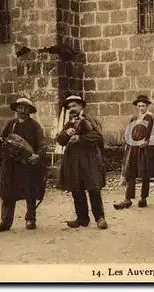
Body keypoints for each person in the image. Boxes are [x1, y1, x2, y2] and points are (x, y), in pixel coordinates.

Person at [0, 97, 46, 233]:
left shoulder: (35, 126)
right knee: (7, 191)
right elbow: (3, 140)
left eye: (25, 108)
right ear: (16, 109)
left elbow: (42, 145)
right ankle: (5, 222)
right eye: (19, 108)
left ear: (29, 111)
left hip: (27, 164)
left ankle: (30, 219)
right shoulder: (11, 124)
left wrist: (37, 156)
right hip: (10, 164)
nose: (22, 111)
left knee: (30, 190)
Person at [56, 95, 108, 229]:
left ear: (81, 106)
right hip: (74, 162)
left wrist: (80, 138)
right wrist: (66, 133)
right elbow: (60, 140)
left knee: (93, 188)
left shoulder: (90, 120)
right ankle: (82, 218)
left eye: (74, 106)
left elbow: (98, 136)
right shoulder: (69, 123)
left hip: (89, 160)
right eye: (69, 107)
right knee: (76, 189)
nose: (71, 109)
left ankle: (100, 218)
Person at [113, 95, 154, 210]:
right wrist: (126, 141)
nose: (141, 108)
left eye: (143, 106)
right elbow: (128, 132)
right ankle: (128, 199)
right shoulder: (134, 119)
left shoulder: (149, 118)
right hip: (132, 149)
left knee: (144, 173)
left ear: (147, 106)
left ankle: (143, 198)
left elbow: (152, 134)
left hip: (143, 149)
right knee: (130, 172)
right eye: (139, 106)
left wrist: (146, 142)